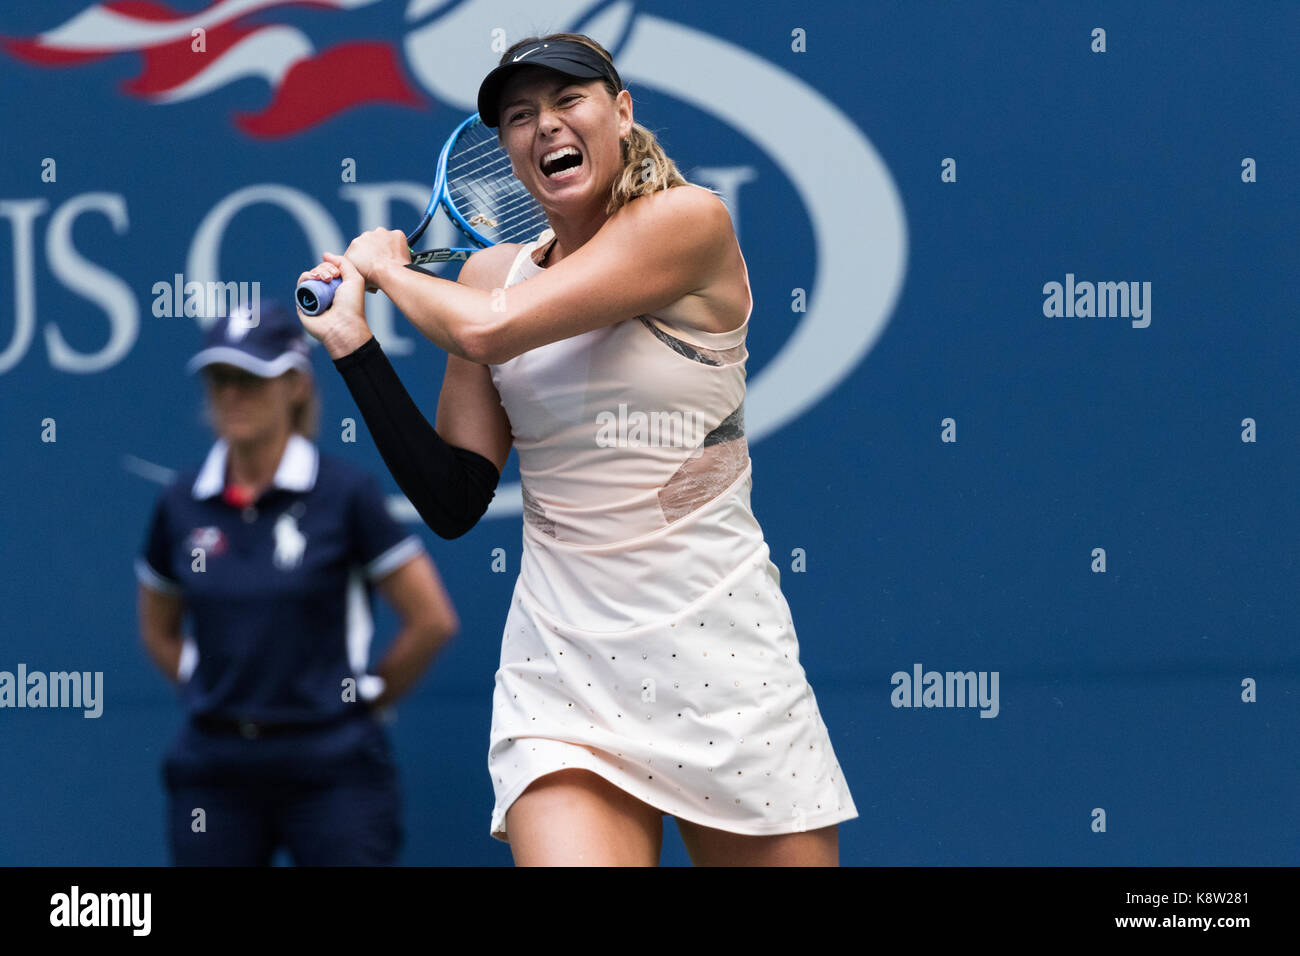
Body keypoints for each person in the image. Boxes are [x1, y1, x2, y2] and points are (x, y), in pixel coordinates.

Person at [296, 32, 857, 866]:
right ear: (511, 156)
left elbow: (486, 332)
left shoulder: (687, 221)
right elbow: (454, 498)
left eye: (568, 101)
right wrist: (354, 347)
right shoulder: (485, 277)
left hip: (728, 664)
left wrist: (390, 268)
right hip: (563, 679)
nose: (545, 126)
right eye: (520, 116)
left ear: (621, 114)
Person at [135, 301, 458, 865]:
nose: (232, 394)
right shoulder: (180, 503)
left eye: (251, 378)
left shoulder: (345, 493)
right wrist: (208, 683)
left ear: (295, 385)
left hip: (334, 767)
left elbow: (431, 619)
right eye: (220, 378)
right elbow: (158, 627)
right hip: (215, 771)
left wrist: (363, 697)